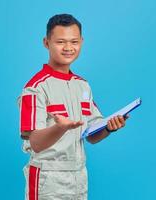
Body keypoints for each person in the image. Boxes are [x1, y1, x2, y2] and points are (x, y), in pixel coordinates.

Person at [18, 13, 128, 200]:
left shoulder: (82, 86)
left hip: (78, 176)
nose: (68, 48)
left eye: (74, 41)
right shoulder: (35, 88)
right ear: (46, 42)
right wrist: (60, 128)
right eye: (60, 42)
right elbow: (35, 143)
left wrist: (109, 127)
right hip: (48, 178)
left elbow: (91, 136)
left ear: (82, 42)